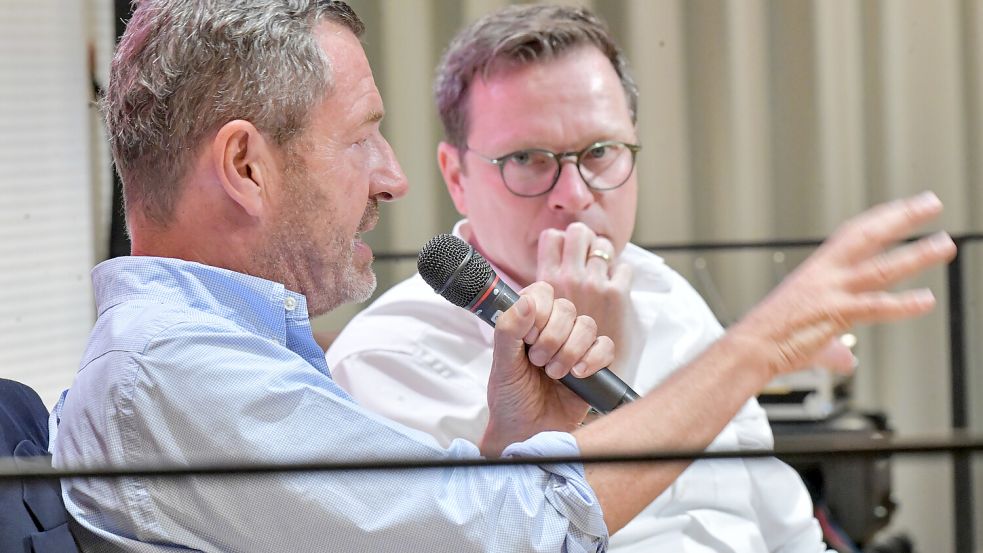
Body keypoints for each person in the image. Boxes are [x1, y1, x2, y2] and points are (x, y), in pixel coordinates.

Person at [49, 1, 954, 552]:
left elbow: (445, 528)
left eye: (602, 152)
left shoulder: (223, 358)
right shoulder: (180, 375)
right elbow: (512, 529)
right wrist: (763, 342)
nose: (388, 177)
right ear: (246, 166)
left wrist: (508, 441)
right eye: (362, 136)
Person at [324, 5, 944, 552]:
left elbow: (782, 525)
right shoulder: (388, 357)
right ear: (456, 175)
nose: (573, 194)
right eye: (527, 160)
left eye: (600, 153)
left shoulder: (663, 290)